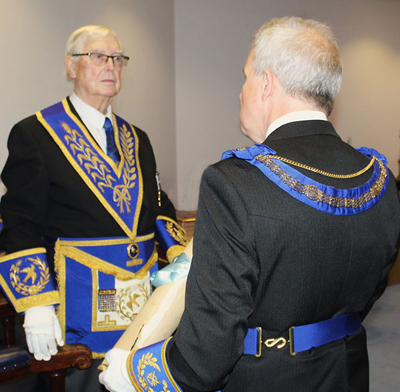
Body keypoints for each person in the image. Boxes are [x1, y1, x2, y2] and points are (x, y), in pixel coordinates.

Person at [99, 16, 400, 392]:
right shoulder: (380, 178)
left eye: (246, 77)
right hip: (348, 369)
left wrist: (133, 372)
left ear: (267, 84)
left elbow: (205, 356)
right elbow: (369, 291)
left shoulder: (233, 183)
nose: (241, 91)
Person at [0, 25, 186, 391]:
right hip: (75, 313)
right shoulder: (36, 134)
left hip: (140, 310)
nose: (111, 66)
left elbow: (159, 205)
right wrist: (34, 303)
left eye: (118, 59)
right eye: (99, 57)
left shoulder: (137, 138)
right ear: (71, 67)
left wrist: (182, 258)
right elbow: (19, 221)